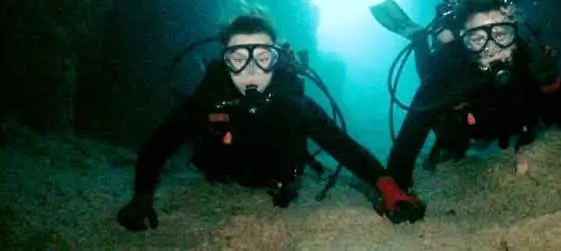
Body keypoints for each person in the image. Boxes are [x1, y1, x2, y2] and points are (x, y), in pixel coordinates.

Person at [117, 13, 425, 231]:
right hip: (223, 169)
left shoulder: (291, 99)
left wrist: (386, 185)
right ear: (225, 60)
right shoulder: (209, 95)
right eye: (239, 59)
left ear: (276, 59)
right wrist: (141, 196)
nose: (251, 71)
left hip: (276, 176)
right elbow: (159, 144)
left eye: (262, 58)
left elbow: (341, 145)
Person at [376, 0, 561, 191]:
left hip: (509, 123)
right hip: (468, 125)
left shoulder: (529, 60)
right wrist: (397, 185)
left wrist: (551, 84)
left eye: (501, 34)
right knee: (431, 80)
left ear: (514, 33)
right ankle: (419, 38)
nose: (491, 48)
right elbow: (414, 129)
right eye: (478, 39)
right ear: (464, 41)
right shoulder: (453, 66)